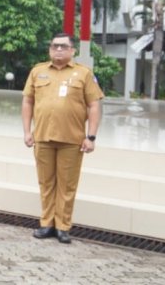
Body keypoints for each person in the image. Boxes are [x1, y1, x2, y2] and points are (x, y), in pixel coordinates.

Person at [21, 32, 103, 244]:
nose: (58, 49)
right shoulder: (38, 72)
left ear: (72, 50)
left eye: (63, 46)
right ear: (50, 49)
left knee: (67, 185)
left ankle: (63, 226)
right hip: (43, 137)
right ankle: (47, 223)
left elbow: (94, 105)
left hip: (72, 139)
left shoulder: (83, 74)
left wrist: (91, 136)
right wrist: (27, 131)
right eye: (55, 46)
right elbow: (27, 101)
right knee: (46, 183)